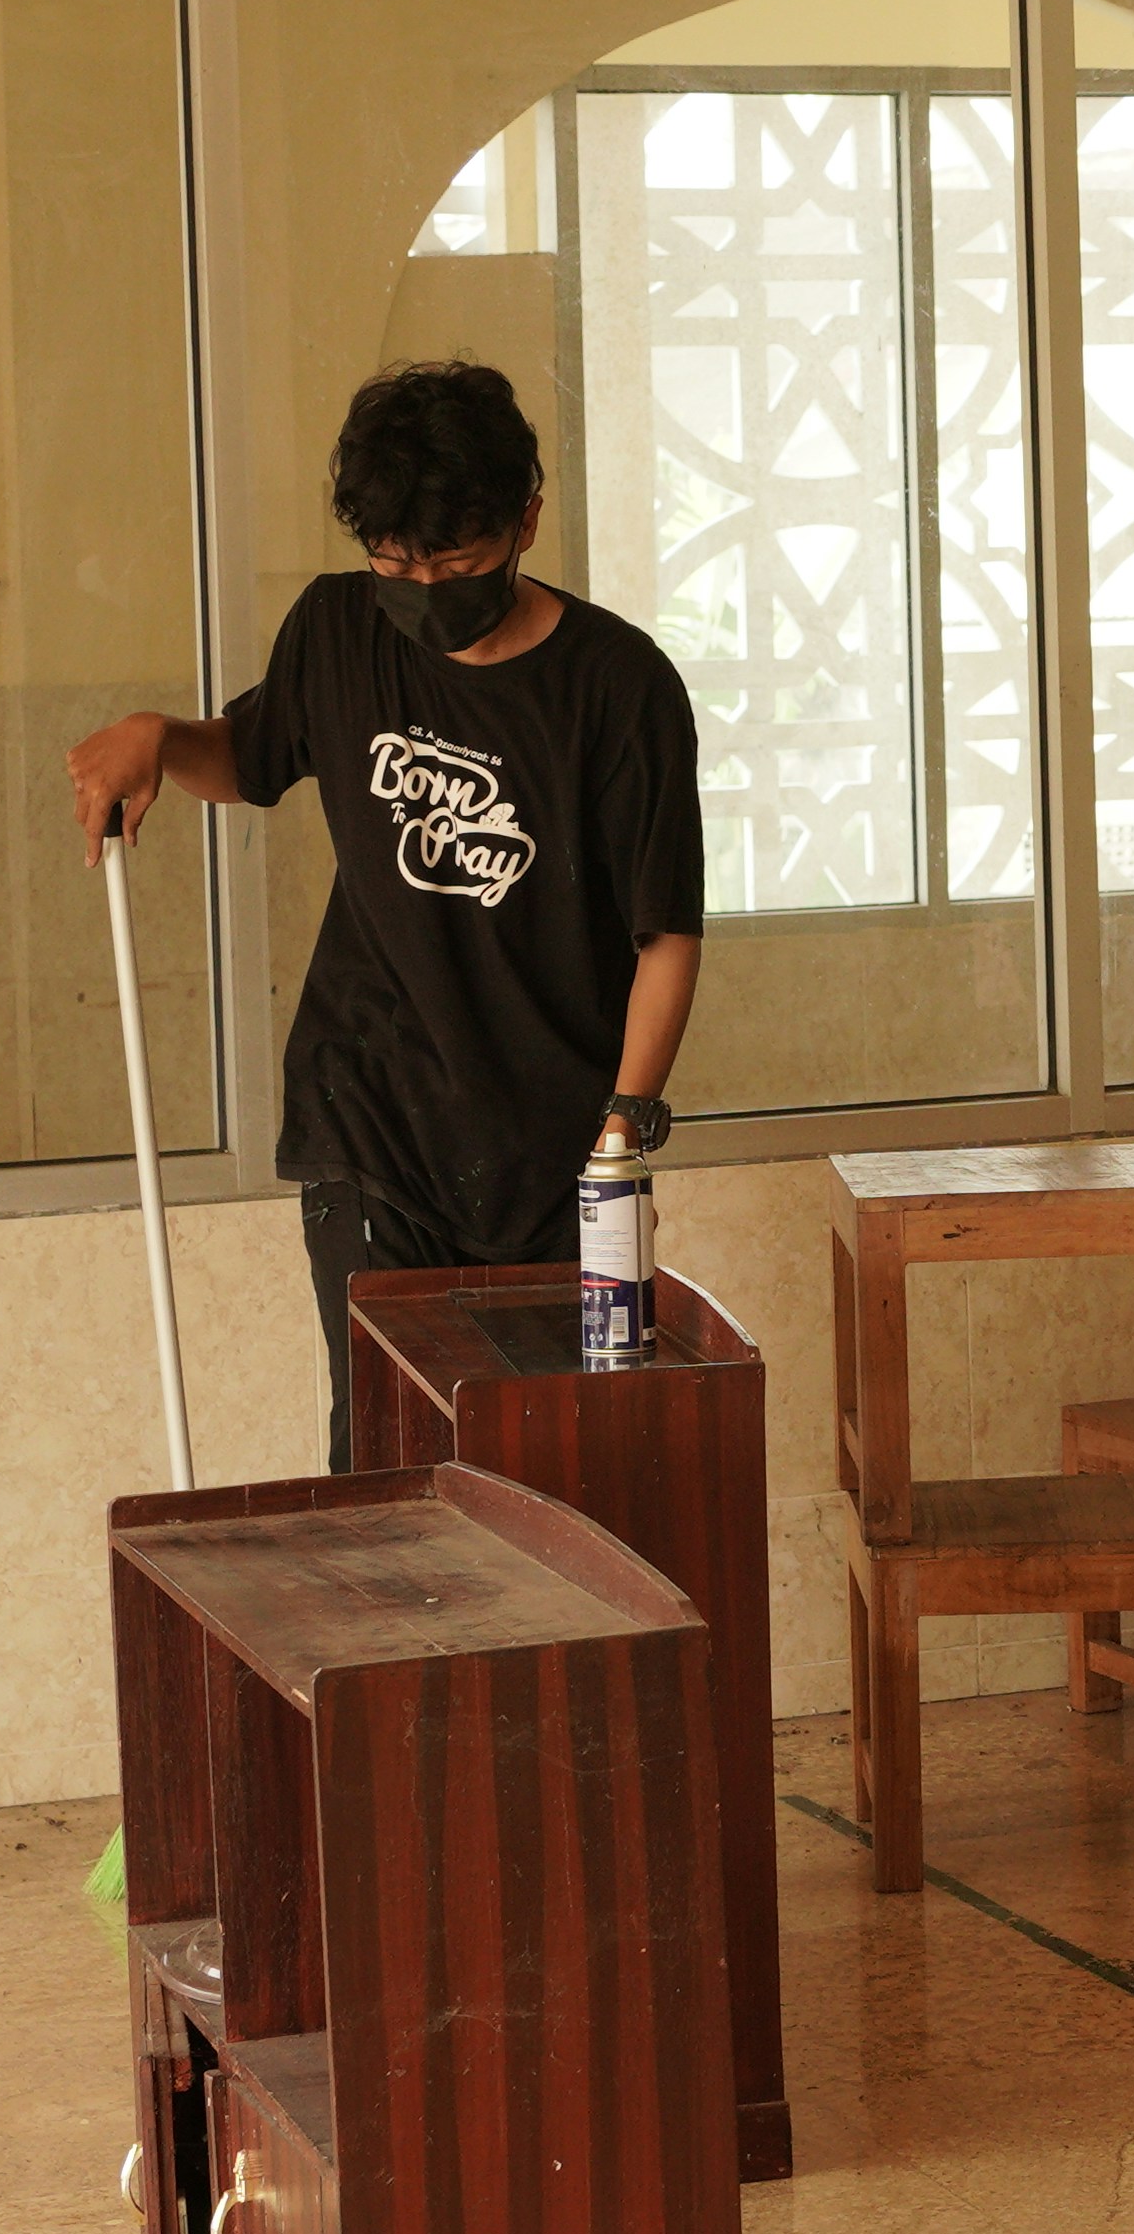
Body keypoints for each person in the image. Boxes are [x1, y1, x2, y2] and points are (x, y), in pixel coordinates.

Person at [68, 361, 702, 1467]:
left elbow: (667, 936)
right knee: (390, 1451)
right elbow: (257, 756)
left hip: (560, 1153)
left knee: (557, 1463)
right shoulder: (337, 629)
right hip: (375, 1119)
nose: (420, 588)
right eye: (396, 561)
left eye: (453, 561)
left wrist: (624, 1131)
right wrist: (161, 736)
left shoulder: (618, 687)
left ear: (525, 523)